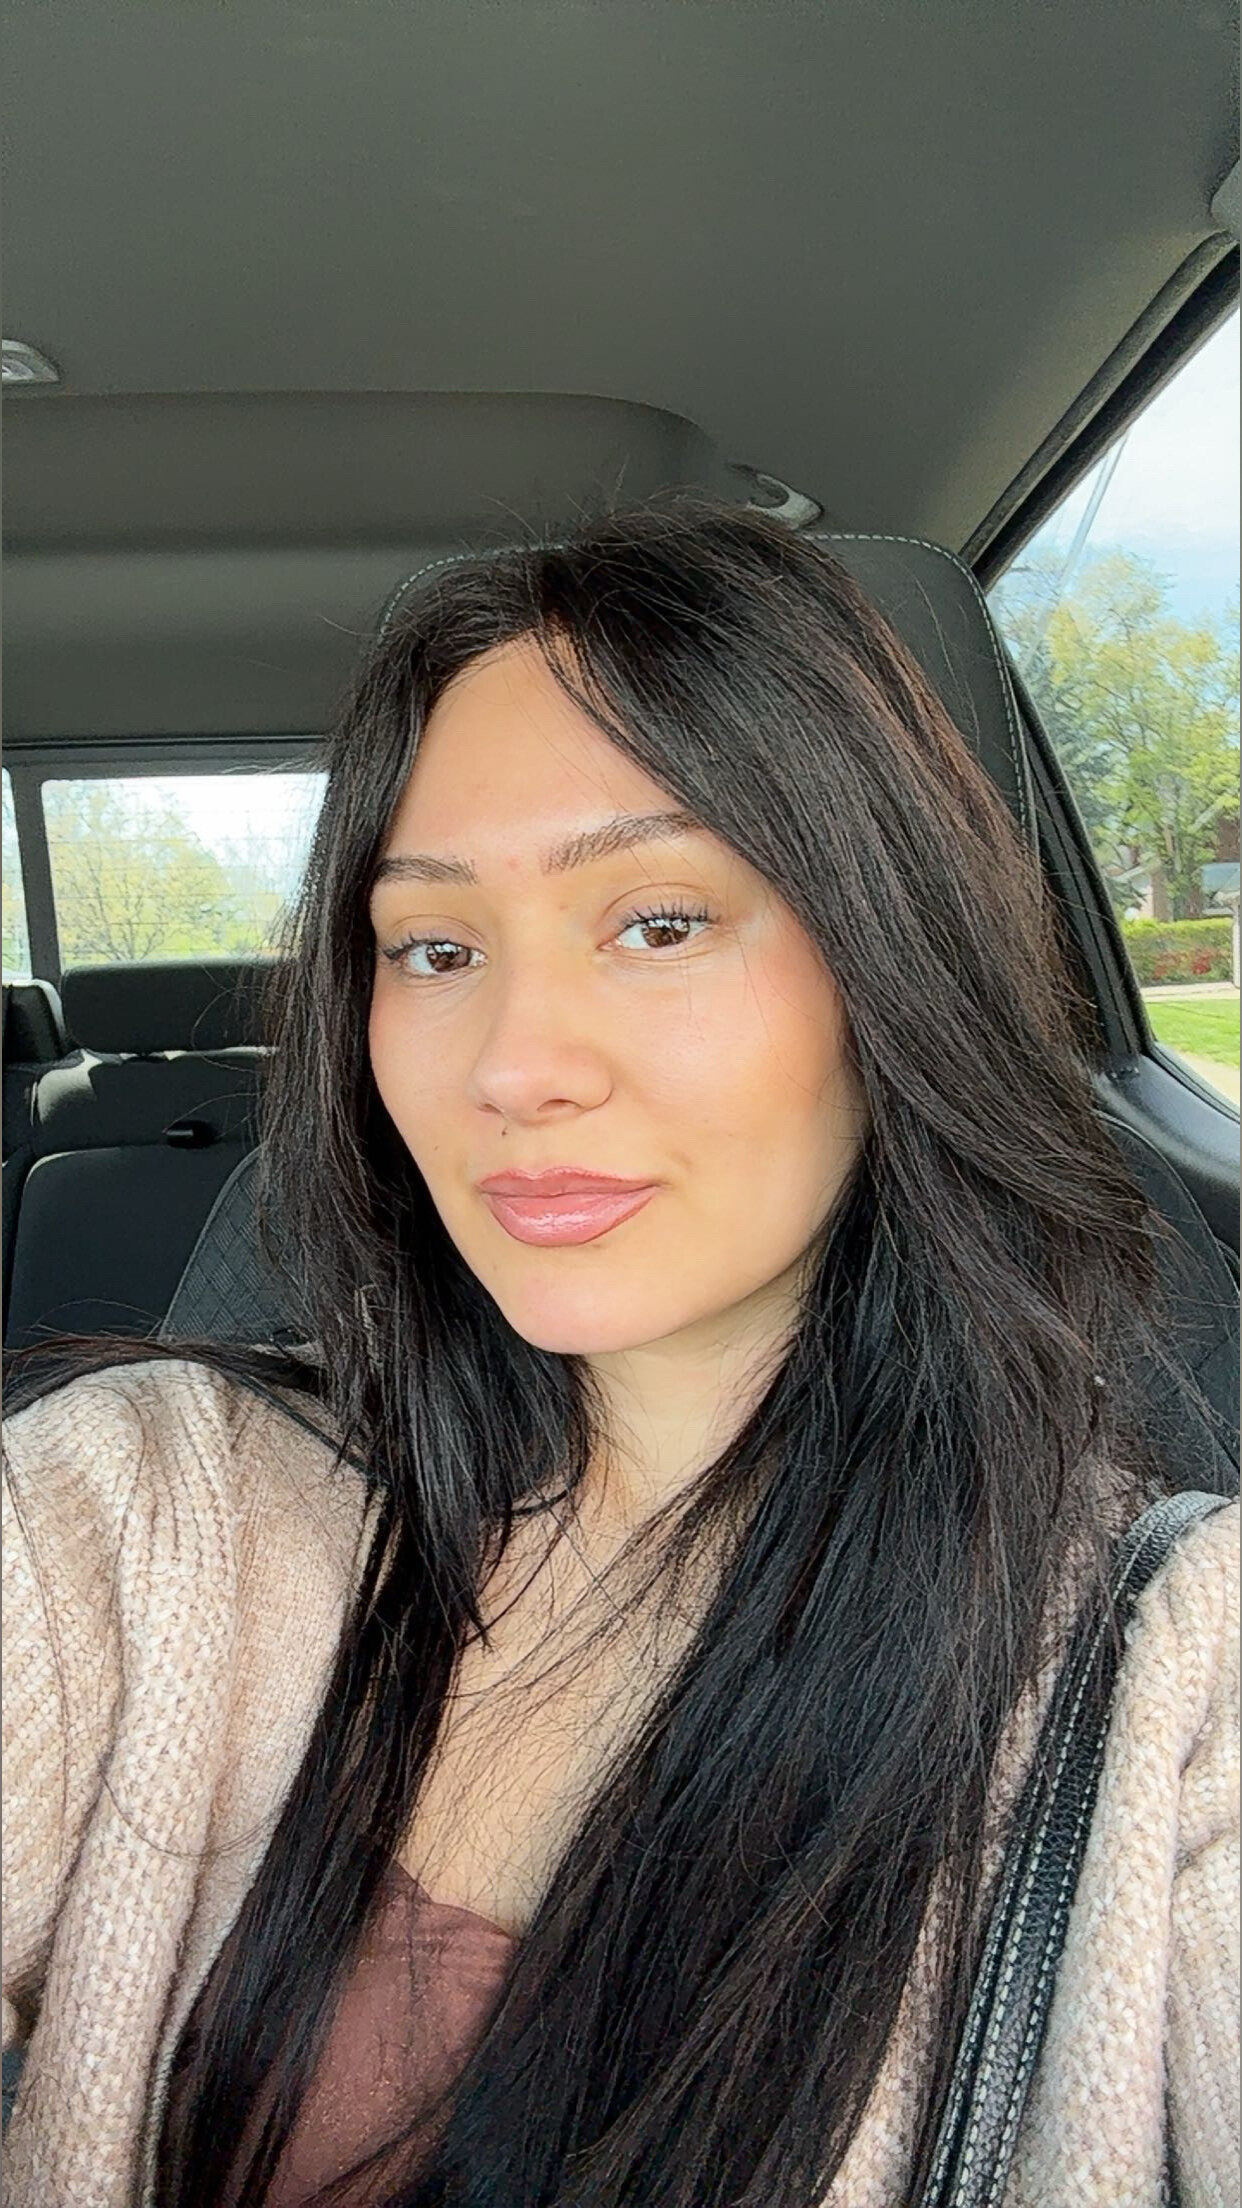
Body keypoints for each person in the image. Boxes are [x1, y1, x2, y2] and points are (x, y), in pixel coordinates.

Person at [3, 498, 1237, 2208]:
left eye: (657, 922)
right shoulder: (130, 1510)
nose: (513, 1065)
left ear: (889, 966)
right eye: (435, 948)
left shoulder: (1180, 1675)